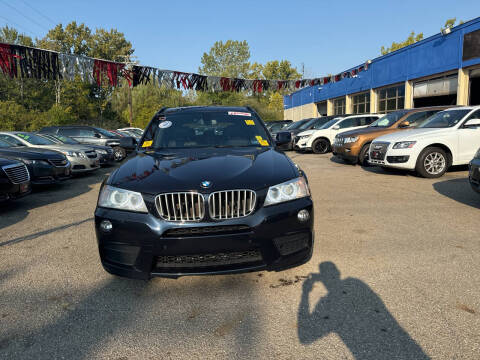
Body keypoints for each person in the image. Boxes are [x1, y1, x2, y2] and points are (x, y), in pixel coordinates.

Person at [298, 262, 429, 359]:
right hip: (408, 347)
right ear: (337, 273)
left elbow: (305, 337)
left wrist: (305, 293)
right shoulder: (354, 283)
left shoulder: (327, 301)